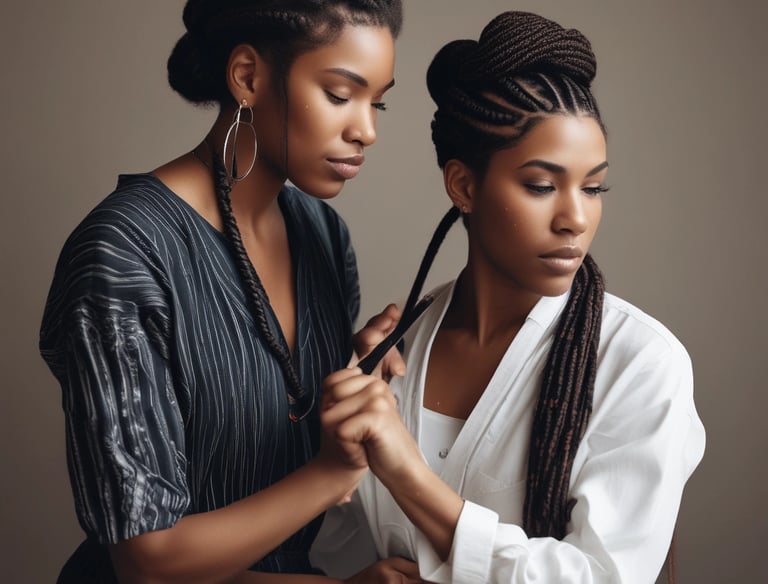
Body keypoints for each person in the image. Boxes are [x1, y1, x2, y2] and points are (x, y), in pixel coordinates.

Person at [311, 10, 706, 584]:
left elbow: (603, 576)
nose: (575, 218)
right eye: (542, 186)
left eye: (593, 187)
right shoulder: (393, 357)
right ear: (463, 185)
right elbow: (336, 554)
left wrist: (407, 474)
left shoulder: (638, 362)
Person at [38, 1, 405, 582]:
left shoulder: (323, 234)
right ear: (248, 77)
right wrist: (333, 474)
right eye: (340, 94)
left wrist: (352, 380)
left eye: (377, 102)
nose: (367, 130)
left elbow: (280, 447)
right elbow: (148, 562)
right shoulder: (125, 253)